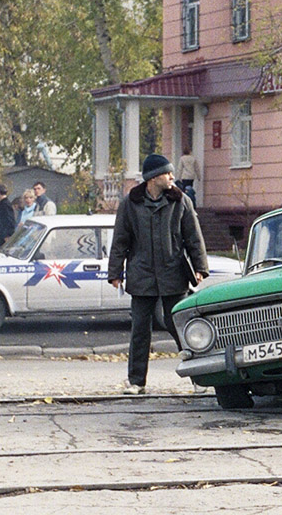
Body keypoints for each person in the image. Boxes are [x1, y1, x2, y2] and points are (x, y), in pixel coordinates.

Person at [108, 153, 209, 395]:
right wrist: (115, 272)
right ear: (153, 178)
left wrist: (199, 267)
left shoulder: (181, 201)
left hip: (173, 274)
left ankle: (199, 380)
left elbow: (193, 237)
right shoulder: (130, 204)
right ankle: (136, 382)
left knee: (181, 328)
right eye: (168, 173)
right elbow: (120, 240)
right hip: (141, 276)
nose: (173, 177)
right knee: (140, 330)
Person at [0, 184, 17, 250]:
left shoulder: (5, 204)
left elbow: (10, 221)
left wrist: (7, 235)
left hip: (3, 238)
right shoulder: (3, 204)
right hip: (0, 236)